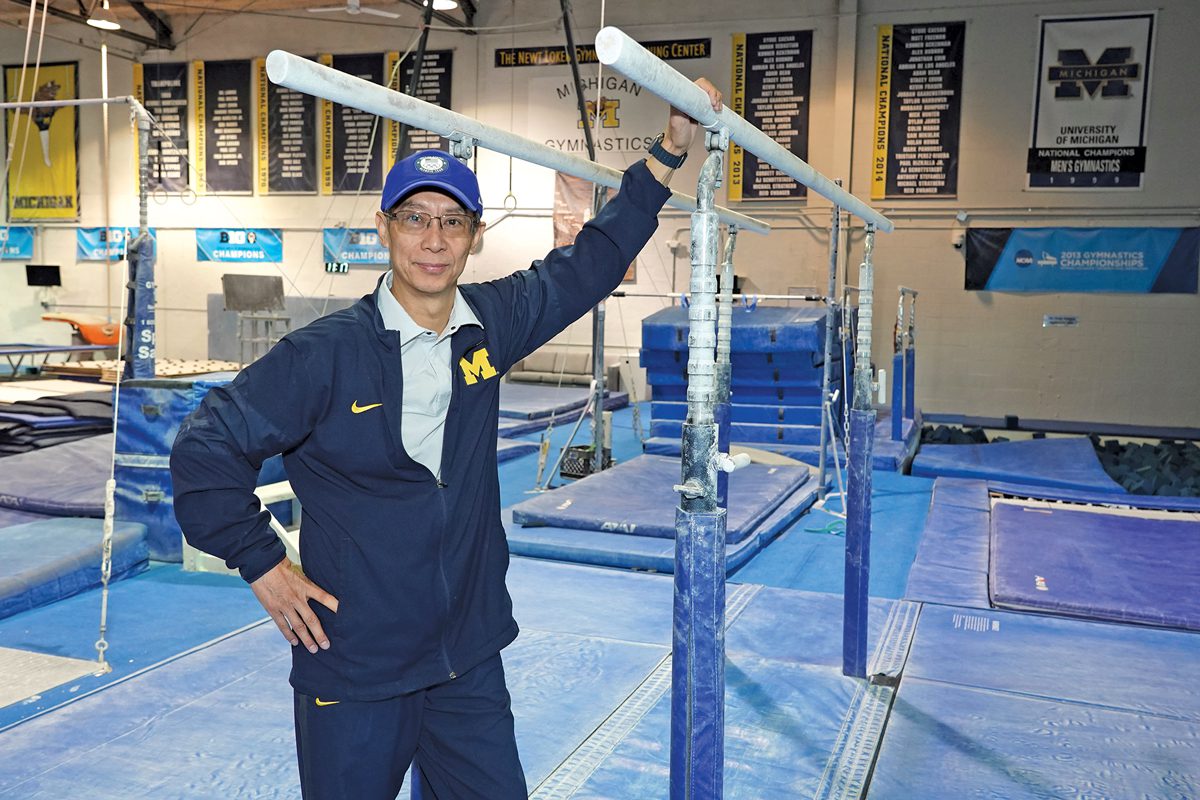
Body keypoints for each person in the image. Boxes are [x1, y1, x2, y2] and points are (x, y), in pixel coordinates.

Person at [170, 78, 723, 800]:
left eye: (452, 222)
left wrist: (669, 150)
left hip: (466, 656)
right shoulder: (323, 356)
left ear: (475, 237)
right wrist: (262, 562)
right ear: (384, 228)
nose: (433, 240)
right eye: (415, 219)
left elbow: (591, 261)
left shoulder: (490, 323)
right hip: (358, 663)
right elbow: (203, 449)